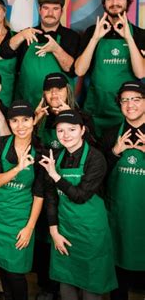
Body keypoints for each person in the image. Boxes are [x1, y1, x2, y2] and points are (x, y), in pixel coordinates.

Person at [39, 109, 117, 300]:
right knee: (66, 284)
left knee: (91, 290)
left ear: (82, 130)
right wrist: (54, 231)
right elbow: (50, 197)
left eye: (72, 129)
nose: (66, 135)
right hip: (64, 230)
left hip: (91, 233)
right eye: (60, 131)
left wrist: (55, 176)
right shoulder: (54, 157)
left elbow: (80, 196)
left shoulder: (95, 158)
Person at [0, 100, 45, 300]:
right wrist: (18, 168)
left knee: (16, 271)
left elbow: (39, 193)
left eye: (26, 120)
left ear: (33, 121)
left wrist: (29, 227)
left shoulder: (42, 151)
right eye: (15, 121)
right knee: (3, 267)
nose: (20, 126)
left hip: (20, 217)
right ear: (9, 123)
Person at [75, 0, 145, 136]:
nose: (115, 3)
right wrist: (95, 39)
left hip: (127, 111)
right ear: (104, 4)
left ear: (128, 1)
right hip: (95, 109)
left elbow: (141, 73)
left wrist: (128, 38)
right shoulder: (91, 32)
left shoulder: (140, 35)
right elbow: (79, 70)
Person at [102, 80, 145, 300]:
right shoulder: (111, 134)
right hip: (118, 215)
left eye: (136, 99)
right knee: (118, 276)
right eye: (125, 100)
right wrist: (114, 152)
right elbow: (98, 176)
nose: (130, 105)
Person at [0, 0, 80, 108]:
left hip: (60, 107)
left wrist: (56, 49)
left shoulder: (71, 37)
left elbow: (72, 70)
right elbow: (4, 53)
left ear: (62, 12)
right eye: (46, 8)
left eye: (55, 9)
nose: (50, 13)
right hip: (27, 105)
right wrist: (20, 35)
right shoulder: (28, 33)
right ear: (39, 10)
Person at [34, 72, 96, 150]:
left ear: (68, 91)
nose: (54, 93)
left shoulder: (84, 117)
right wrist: (34, 121)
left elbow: (91, 148)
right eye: (49, 90)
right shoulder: (38, 116)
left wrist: (72, 117)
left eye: (59, 89)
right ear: (44, 94)